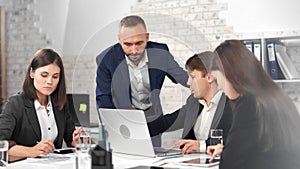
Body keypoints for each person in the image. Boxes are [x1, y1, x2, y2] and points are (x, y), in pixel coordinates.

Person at [206, 40, 300, 169]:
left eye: (217, 80)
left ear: (231, 73)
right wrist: (227, 149)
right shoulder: (277, 97)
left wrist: (229, 153)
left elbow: (229, 164)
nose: (219, 88)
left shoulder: (249, 104)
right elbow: (269, 147)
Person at [96, 15, 188, 146]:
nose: (134, 50)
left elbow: (184, 78)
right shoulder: (106, 59)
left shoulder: (160, 53)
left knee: (153, 162)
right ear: (119, 40)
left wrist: (208, 84)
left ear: (147, 37)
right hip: (122, 122)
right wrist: (116, 129)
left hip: (153, 122)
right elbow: (103, 99)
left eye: (139, 43)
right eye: (127, 44)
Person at [0, 49, 82, 158]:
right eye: (44, 75)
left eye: (55, 76)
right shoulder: (16, 104)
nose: (49, 81)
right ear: (32, 73)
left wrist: (77, 141)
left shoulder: (60, 104)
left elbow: (70, 138)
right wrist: (31, 151)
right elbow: (1, 141)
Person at [148, 52, 232, 154]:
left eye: (192, 77)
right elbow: (168, 122)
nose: (188, 82)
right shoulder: (194, 102)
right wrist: (139, 126)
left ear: (210, 77)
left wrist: (202, 145)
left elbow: (240, 141)